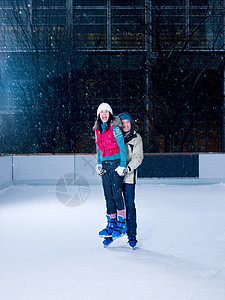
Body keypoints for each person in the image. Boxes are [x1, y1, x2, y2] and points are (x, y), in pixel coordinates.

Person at [94, 103, 127, 245]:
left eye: (106, 111)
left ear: (110, 114)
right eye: (101, 112)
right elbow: (98, 148)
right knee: (108, 195)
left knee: (116, 193)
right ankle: (111, 223)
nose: (104, 114)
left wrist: (122, 165)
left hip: (115, 163)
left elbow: (122, 148)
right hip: (105, 166)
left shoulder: (115, 129)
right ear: (98, 115)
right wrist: (99, 163)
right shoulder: (97, 130)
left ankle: (122, 223)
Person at [119, 112, 144, 248]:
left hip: (128, 178)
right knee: (116, 205)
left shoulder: (136, 138)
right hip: (116, 177)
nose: (125, 125)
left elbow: (138, 157)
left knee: (129, 205)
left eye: (127, 122)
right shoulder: (115, 137)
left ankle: (132, 234)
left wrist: (127, 168)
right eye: (123, 123)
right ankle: (114, 231)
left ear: (131, 123)